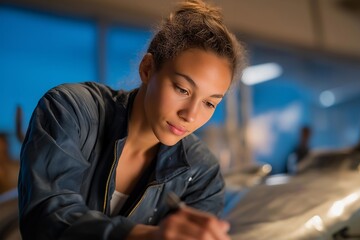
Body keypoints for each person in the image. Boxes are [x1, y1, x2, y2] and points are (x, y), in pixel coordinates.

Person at [18, 0, 246, 239]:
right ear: (147, 69)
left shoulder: (202, 172)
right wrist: (147, 236)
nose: (190, 115)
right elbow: (43, 219)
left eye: (209, 103)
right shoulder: (71, 109)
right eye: (182, 89)